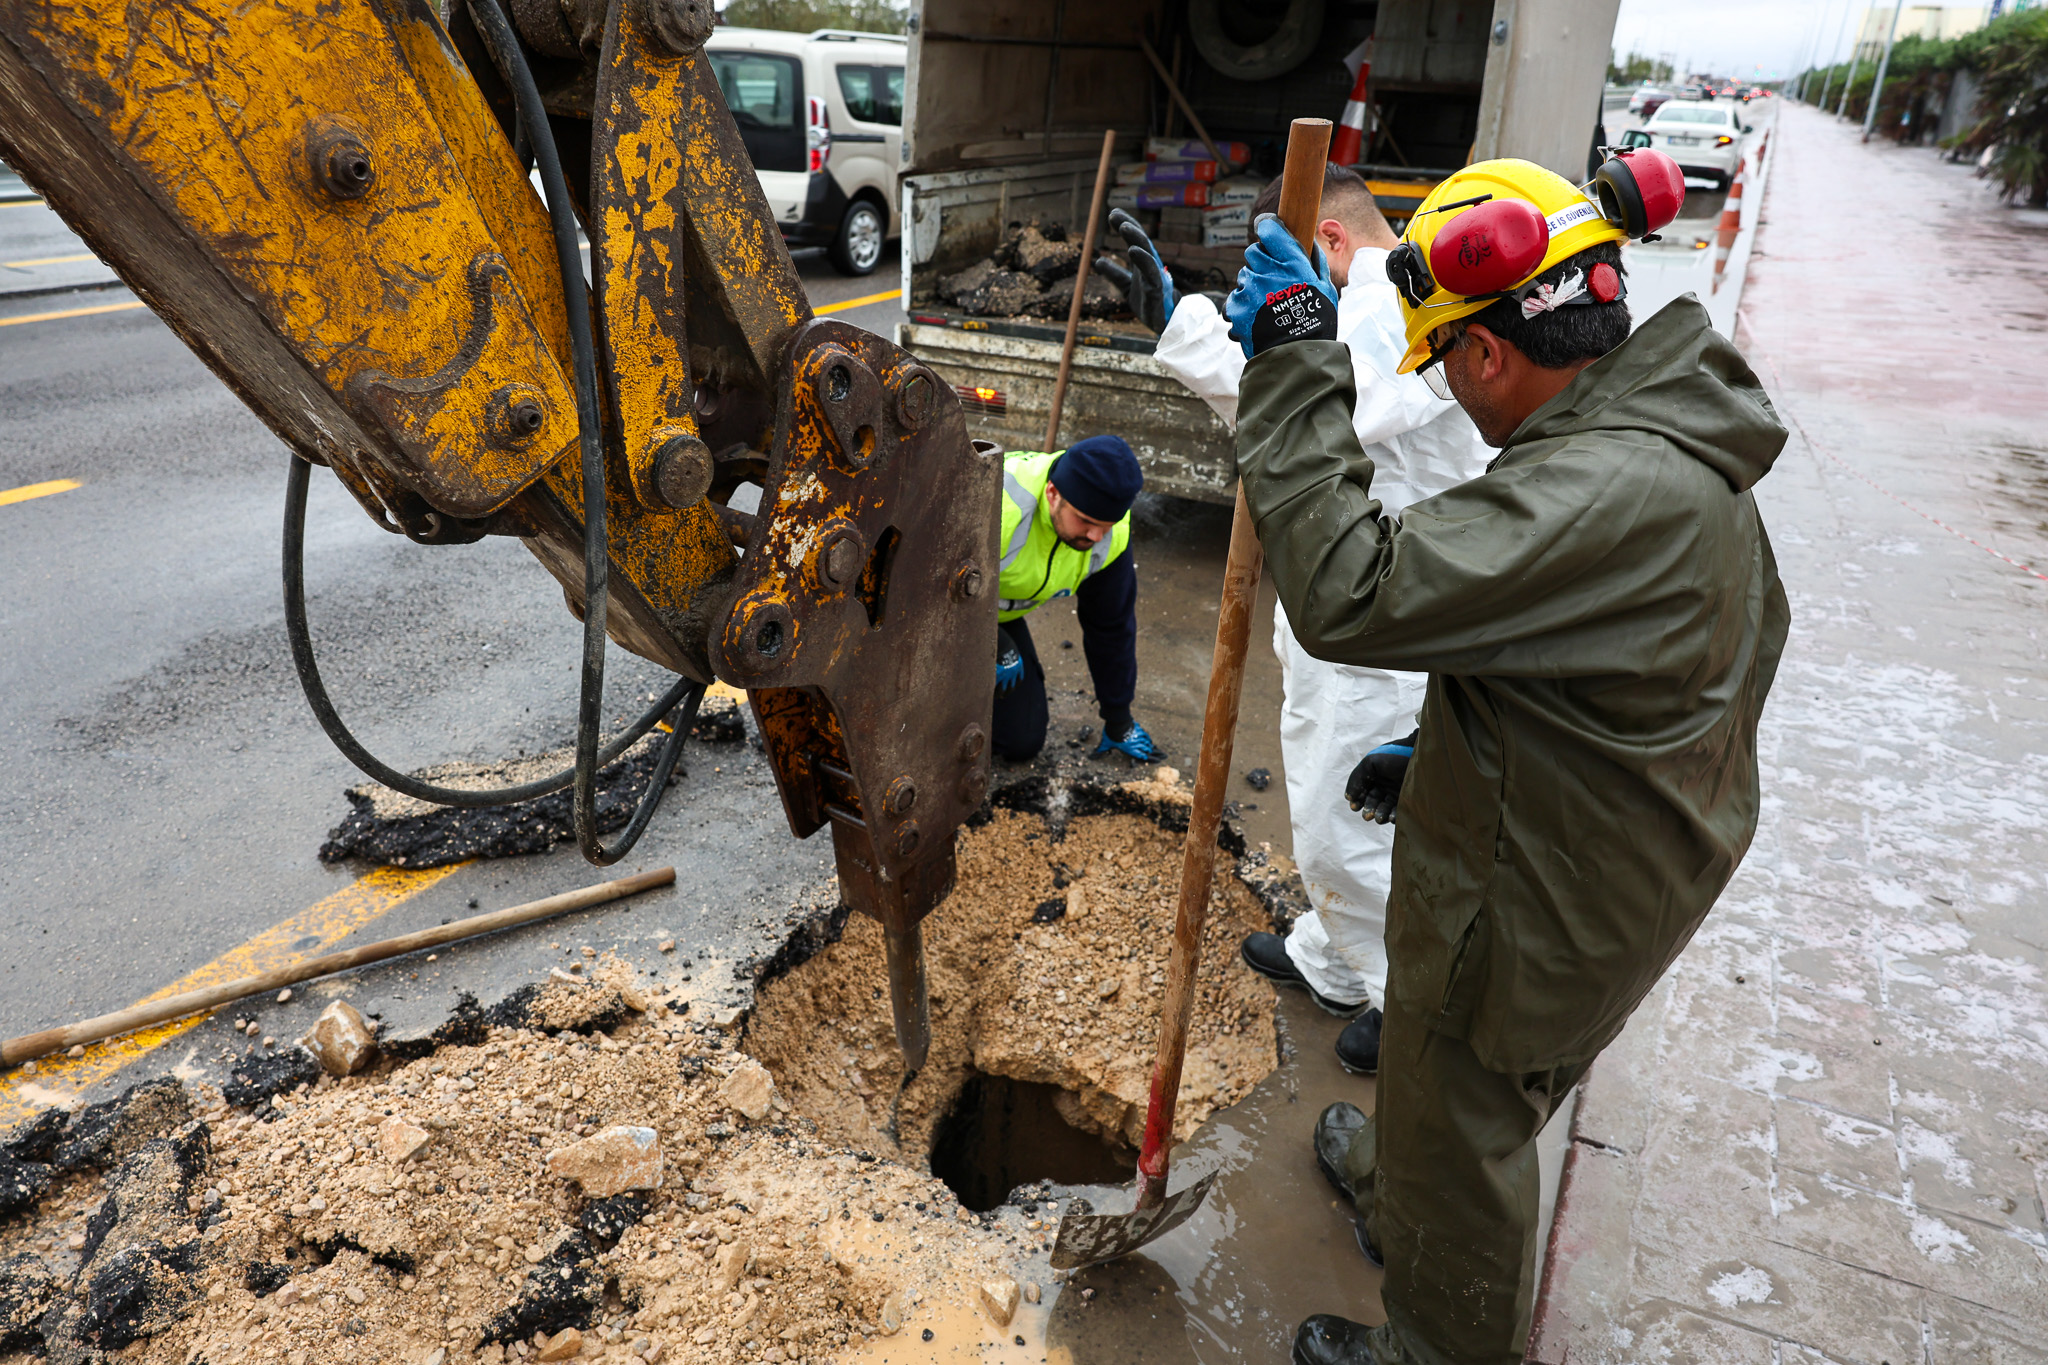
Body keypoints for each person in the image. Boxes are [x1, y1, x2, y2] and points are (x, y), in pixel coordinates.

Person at [1223, 158, 1789, 1365]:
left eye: (1442, 366)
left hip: (1546, 894)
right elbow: (1621, 654)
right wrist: (1442, 738)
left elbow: (1346, 590)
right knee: (1449, 1083)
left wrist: (1287, 362)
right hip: (1606, 841)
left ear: (1486, 354)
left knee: (1471, 1116)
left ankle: (1432, 1338)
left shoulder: (1603, 481)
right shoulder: (1650, 434)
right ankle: (1396, 1178)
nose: (1451, 394)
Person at [1119, 164, 1491, 1077]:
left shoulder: (1397, 303)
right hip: (1342, 599)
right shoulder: (1371, 302)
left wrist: (1213, 328)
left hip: (1384, 620)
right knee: (1321, 787)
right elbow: (1284, 394)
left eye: (1281, 258)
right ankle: (1333, 959)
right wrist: (1195, 324)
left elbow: (1316, 402)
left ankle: (1402, 1001)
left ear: (1327, 240)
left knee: (1346, 823)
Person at [991, 435, 1159, 764]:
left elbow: (1111, 627)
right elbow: (918, 585)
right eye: (1086, 522)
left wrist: (1118, 717)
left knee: (1020, 742)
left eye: (1106, 526)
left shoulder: (1110, 538)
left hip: (1000, 617)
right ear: (1053, 494)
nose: (1096, 537)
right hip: (927, 615)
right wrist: (992, 642)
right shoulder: (998, 507)